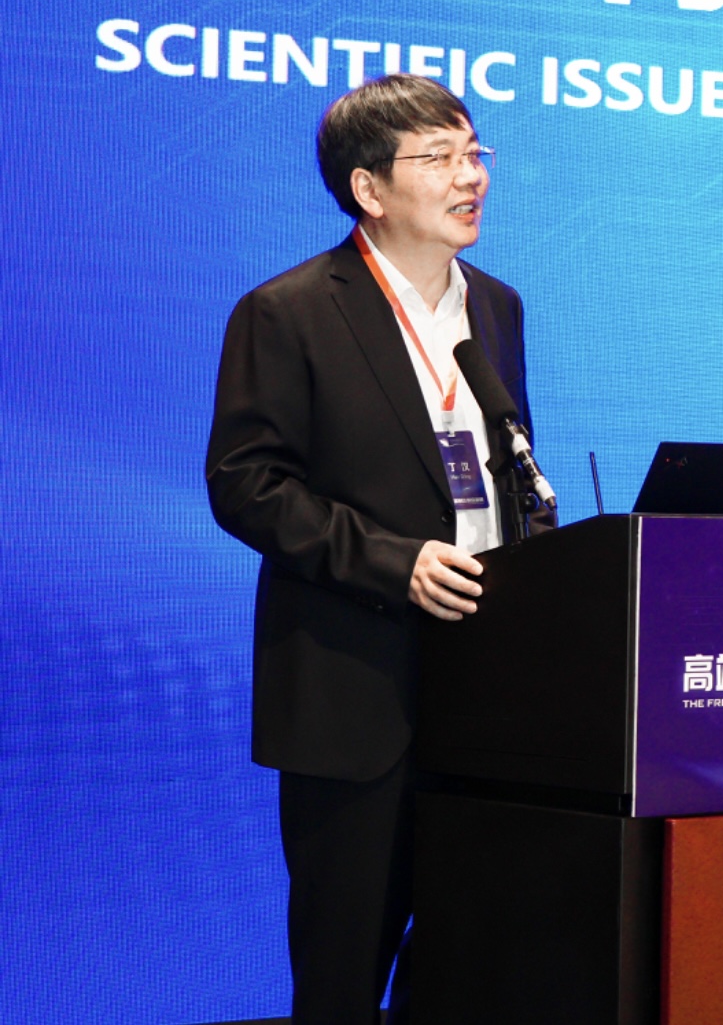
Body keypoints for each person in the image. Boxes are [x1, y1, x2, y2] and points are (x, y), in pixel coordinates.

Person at [206, 76, 550, 1025]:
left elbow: (505, 471)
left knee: (470, 957)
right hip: (355, 690)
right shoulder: (289, 311)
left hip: (486, 688)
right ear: (368, 188)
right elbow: (247, 484)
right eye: (439, 158)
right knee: (345, 966)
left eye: (474, 153)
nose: (470, 176)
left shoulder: (498, 307)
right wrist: (397, 562)